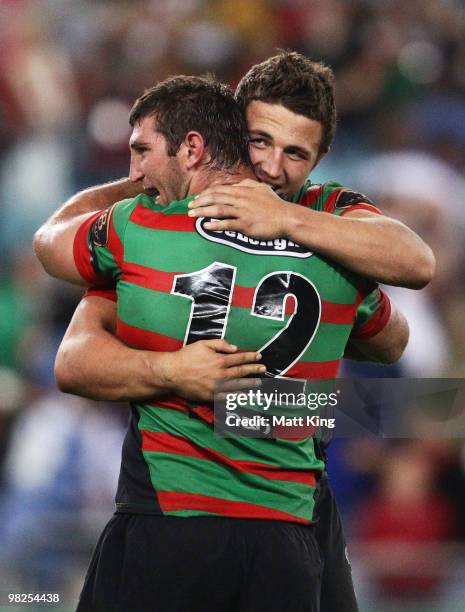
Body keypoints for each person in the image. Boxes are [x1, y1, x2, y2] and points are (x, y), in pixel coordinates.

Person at [32, 54, 426, 612]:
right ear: (231, 132)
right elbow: (393, 337)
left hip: (219, 510)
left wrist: (284, 220)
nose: (270, 168)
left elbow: (65, 324)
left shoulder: (154, 225)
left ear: (320, 160)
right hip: (282, 514)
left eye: (296, 154)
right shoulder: (339, 241)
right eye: (260, 141)